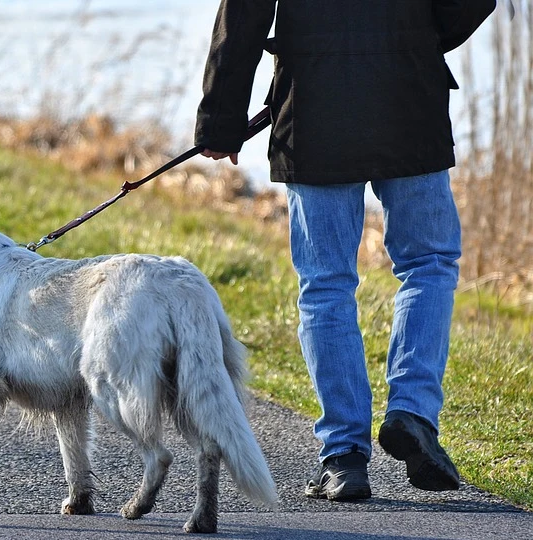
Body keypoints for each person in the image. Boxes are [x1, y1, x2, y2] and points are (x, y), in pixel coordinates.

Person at [195, 0, 496, 500]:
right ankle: (412, 411)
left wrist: (220, 119)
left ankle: (344, 456)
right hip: (408, 94)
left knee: (326, 283)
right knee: (428, 264)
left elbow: (242, 14)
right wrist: (415, 38)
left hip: (314, 108)